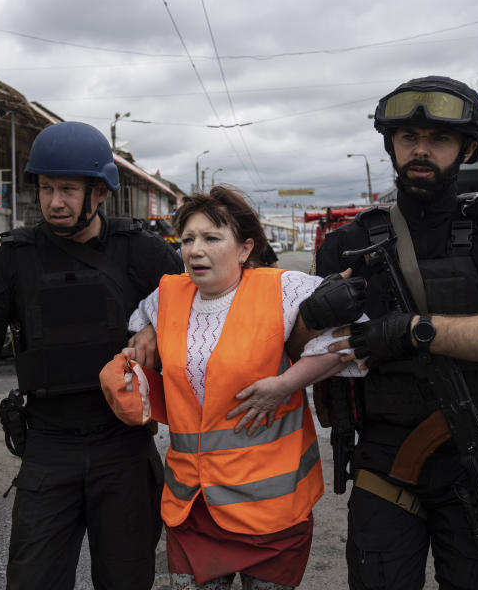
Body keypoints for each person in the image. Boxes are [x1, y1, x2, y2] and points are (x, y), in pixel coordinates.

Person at [303, 76, 478, 589]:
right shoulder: (349, 242)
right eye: (407, 137)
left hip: (476, 462)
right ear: (391, 144)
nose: (420, 150)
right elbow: (299, 349)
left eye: (438, 139)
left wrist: (413, 331)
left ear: (467, 147)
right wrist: (312, 314)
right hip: (382, 467)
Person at [0, 121, 184, 590]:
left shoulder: (142, 253)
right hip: (48, 448)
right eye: (46, 189)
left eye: (68, 189)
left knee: (127, 580)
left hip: (123, 450)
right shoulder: (14, 259)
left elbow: (203, 317)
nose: (54, 202)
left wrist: (156, 325)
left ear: (101, 193)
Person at [122, 185, 363, 590]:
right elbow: (140, 321)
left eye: (212, 238)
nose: (195, 250)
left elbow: (353, 341)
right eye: (188, 239)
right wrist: (145, 331)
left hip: (270, 513)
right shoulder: (167, 295)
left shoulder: (283, 288)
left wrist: (286, 384)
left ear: (244, 249)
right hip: (192, 506)